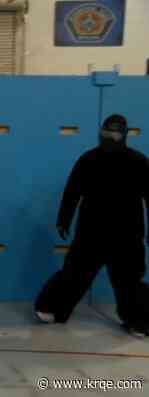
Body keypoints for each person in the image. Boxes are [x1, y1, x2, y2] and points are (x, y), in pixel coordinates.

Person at [35, 114, 149, 337]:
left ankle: (139, 320)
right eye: (107, 131)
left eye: (115, 131)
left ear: (124, 134)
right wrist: (63, 219)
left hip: (128, 232)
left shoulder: (139, 162)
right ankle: (53, 309)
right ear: (100, 132)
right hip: (91, 230)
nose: (110, 135)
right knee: (75, 273)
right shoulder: (88, 159)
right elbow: (72, 192)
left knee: (129, 279)